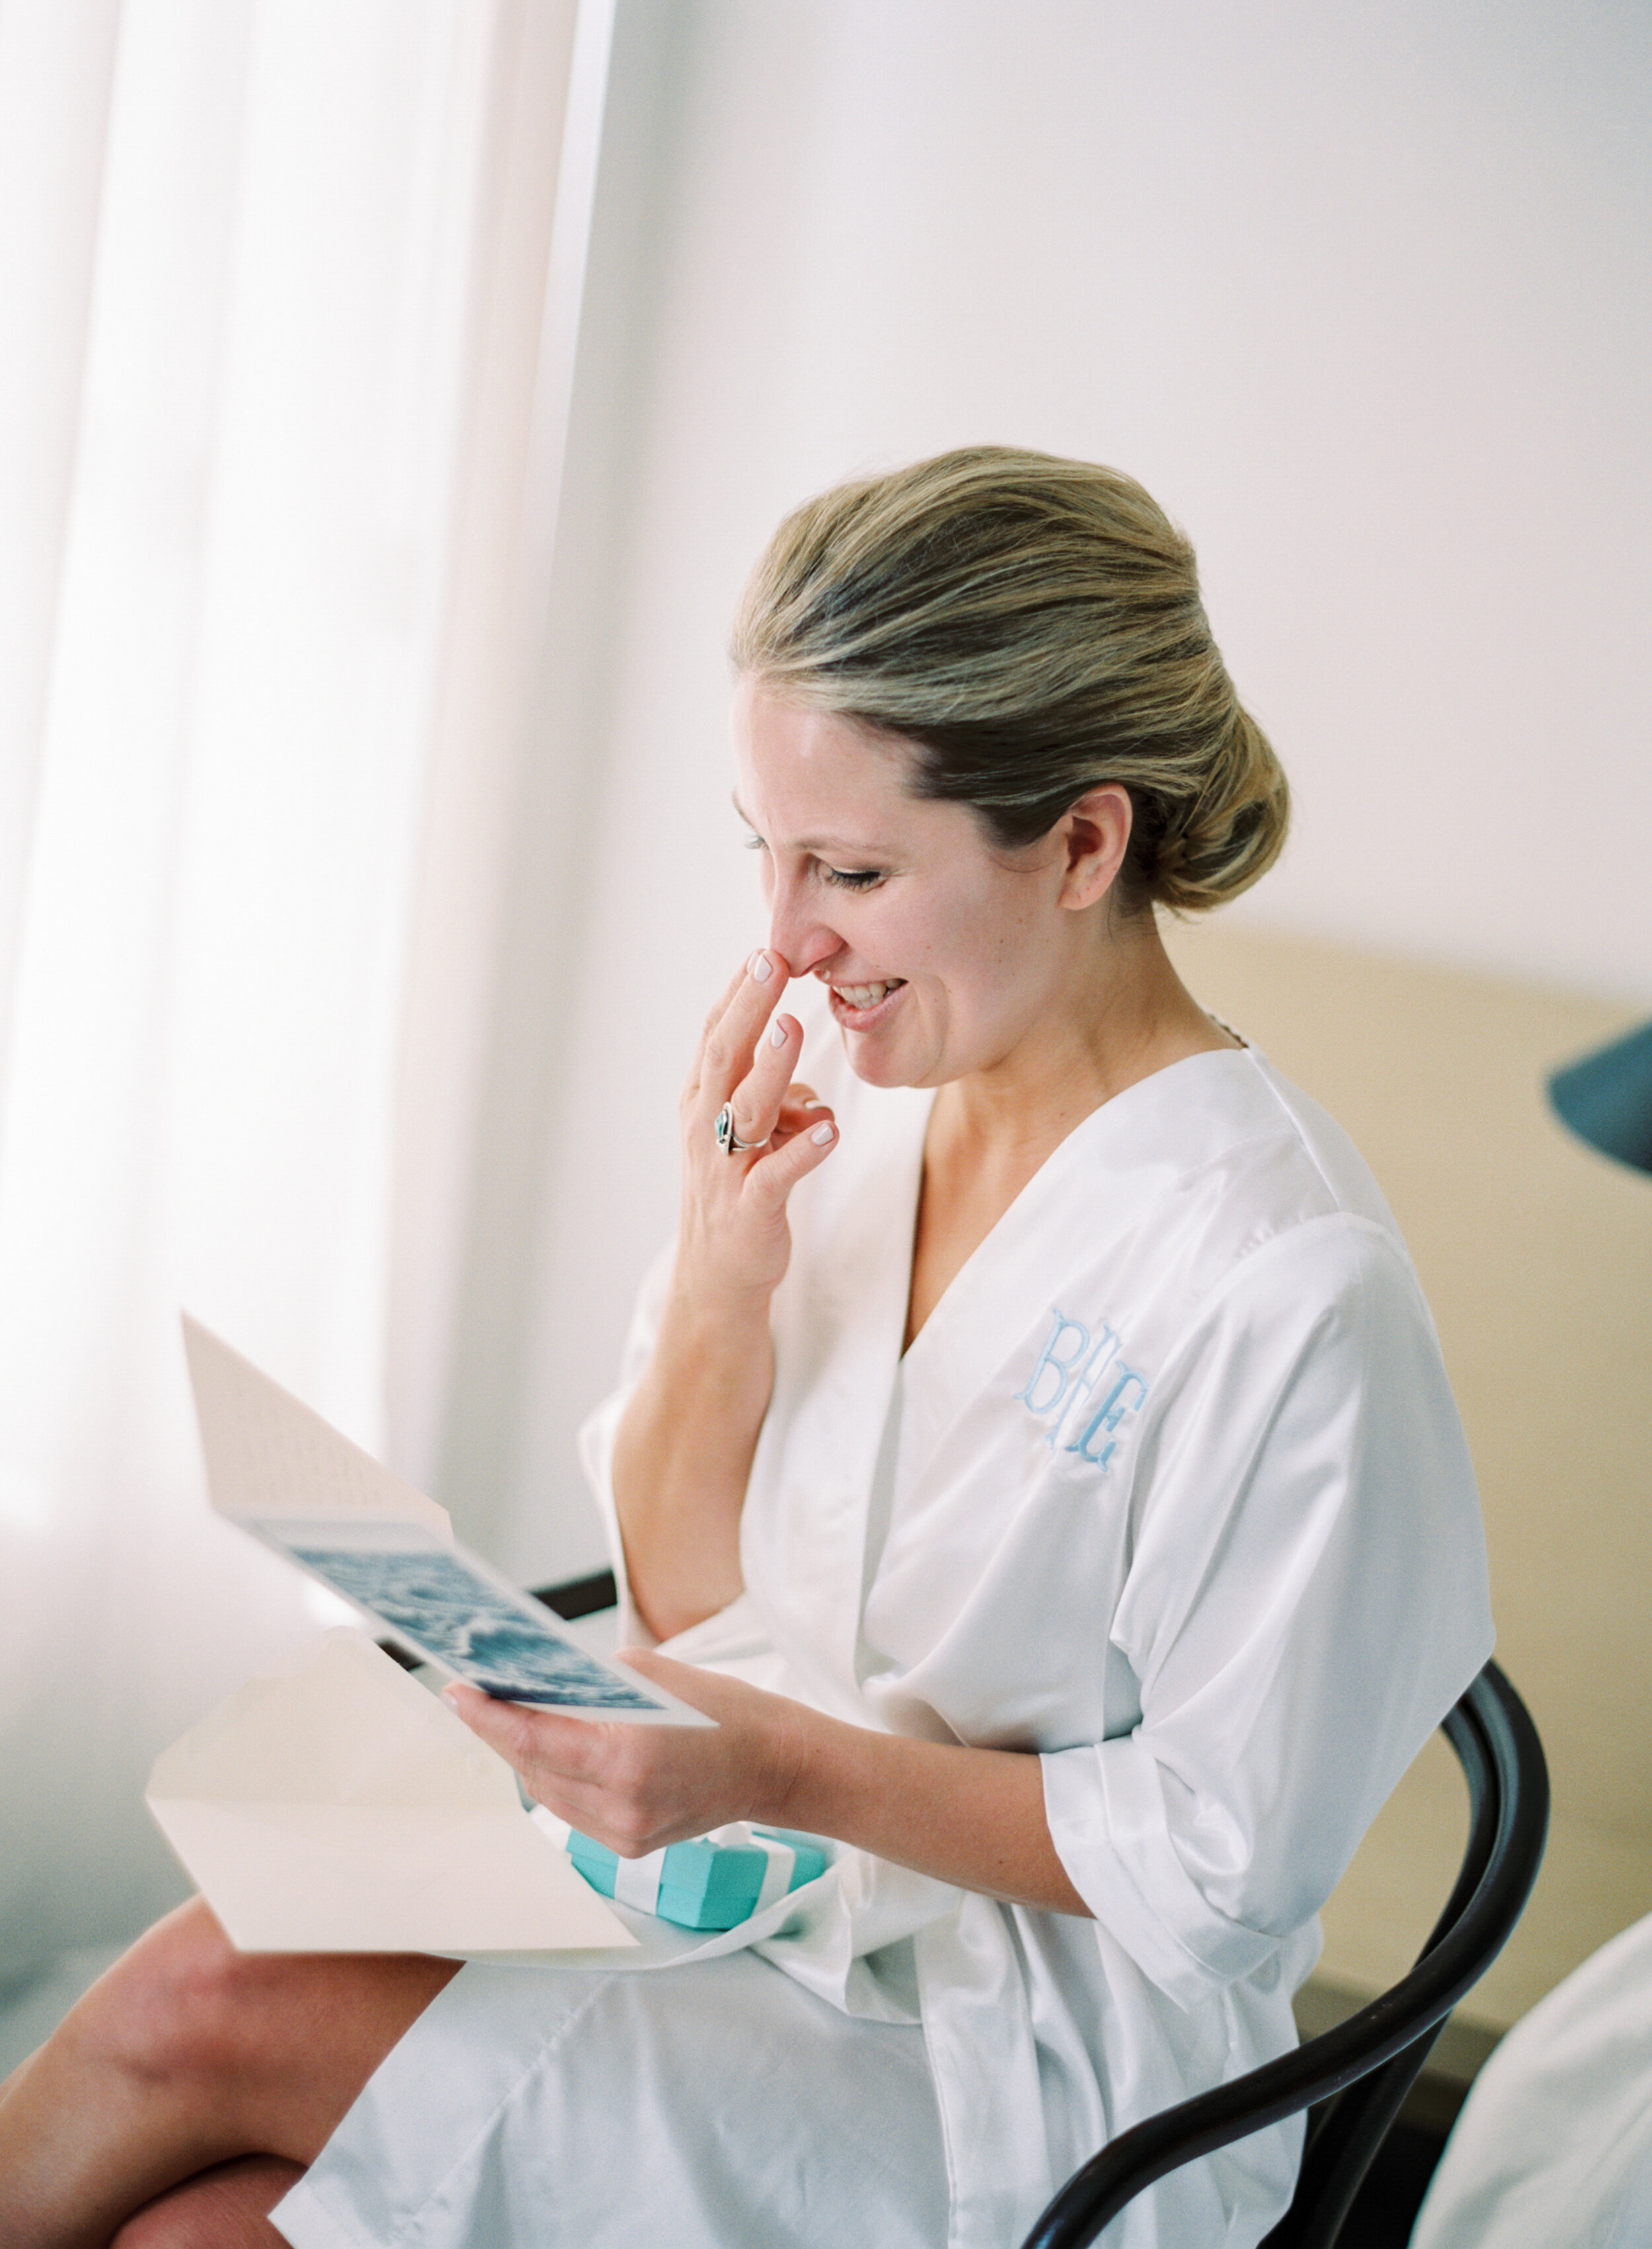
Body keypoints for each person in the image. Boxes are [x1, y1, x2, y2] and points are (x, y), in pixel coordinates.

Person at [0, 447, 1493, 2249]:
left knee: (201, 1999)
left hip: (1024, 2074)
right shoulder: (856, 1122)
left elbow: (1215, 1879)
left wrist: (776, 1764)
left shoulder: (1283, 1282)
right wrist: (719, 1270)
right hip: (749, 1908)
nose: (783, 943)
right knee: (197, 2230)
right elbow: (690, 1598)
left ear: (1084, 842)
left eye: (849, 867)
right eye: (762, 851)